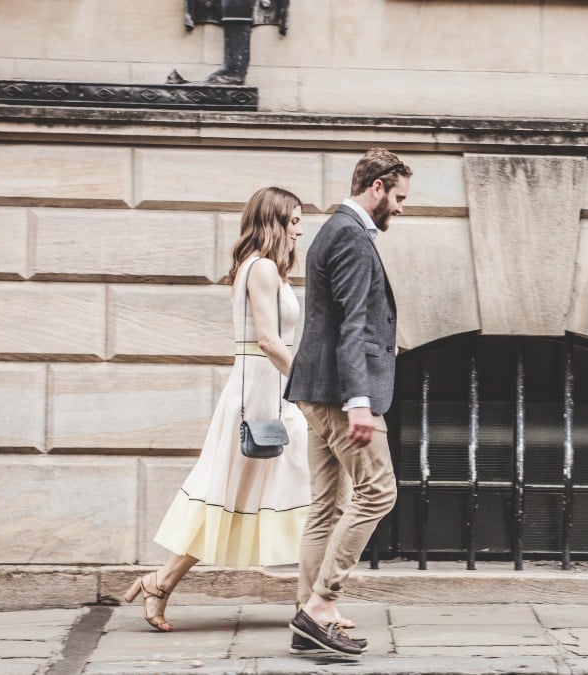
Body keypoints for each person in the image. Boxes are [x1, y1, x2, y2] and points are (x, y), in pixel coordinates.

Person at [123, 186, 310, 632]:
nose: (301, 230)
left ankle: (161, 583)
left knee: (256, 493)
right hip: (262, 394)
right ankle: (318, 603)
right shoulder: (262, 268)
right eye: (295, 221)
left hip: (267, 389)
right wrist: (307, 384)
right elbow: (267, 340)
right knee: (234, 495)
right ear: (275, 221)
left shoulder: (259, 268)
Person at [285, 148, 412, 655]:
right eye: (398, 197)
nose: (401, 208)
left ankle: (307, 616)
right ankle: (320, 605)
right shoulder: (353, 239)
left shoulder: (333, 231)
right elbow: (354, 325)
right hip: (341, 394)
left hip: (315, 390)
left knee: (326, 506)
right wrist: (359, 401)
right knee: (379, 492)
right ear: (376, 187)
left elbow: (338, 320)